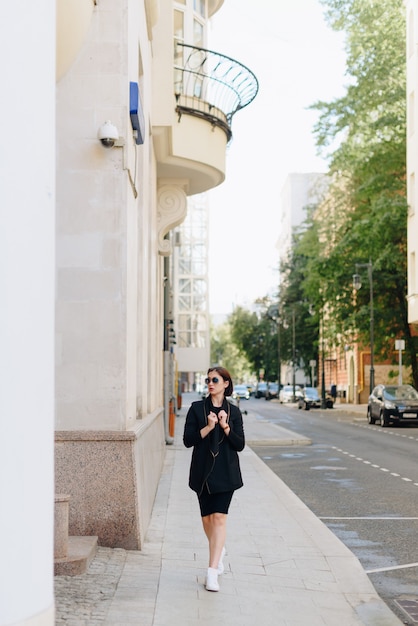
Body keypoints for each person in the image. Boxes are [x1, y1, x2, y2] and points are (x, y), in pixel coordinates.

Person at [183, 366, 245, 592]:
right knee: (207, 521)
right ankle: (219, 550)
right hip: (203, 474)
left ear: (226, 384)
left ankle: (212, 572)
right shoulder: (197, 409)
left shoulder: (234, 412)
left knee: (219, 518)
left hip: (226, 473)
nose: (211, 383)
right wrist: (208, 427)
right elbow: (188, 441)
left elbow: (239, 445)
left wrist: (225, 426)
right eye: (208, 380)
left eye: (215, 379)